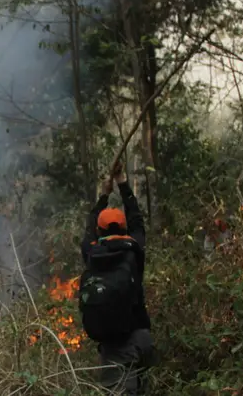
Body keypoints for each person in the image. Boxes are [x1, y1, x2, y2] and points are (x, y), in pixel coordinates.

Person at [78, 161, 155, 395]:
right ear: (123, 229)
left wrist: (103, 195)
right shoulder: (134, 250)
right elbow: (137, 221)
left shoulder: (91, 253)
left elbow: (88, 228)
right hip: (142, 339)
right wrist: (122, 183)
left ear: (100, 232)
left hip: (114, 348)